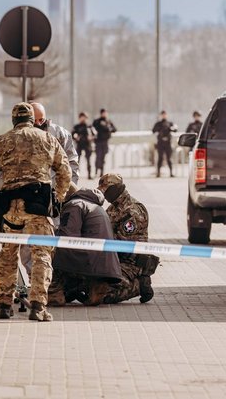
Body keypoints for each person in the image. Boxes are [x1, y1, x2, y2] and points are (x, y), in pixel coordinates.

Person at [0, 102, 72, 322]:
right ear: (32, 119)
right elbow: (65, 171)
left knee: (7, 254)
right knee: (41, 255)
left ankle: (4, 304)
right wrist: (58, 199)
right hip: (38, 209)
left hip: (8, 211)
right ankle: (38, 306)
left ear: (13, 120)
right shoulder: (48, 139)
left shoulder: (0, 142)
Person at [48, 185, 122, 306]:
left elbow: (67, 238)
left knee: (48, 251)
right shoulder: (95, 205)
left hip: (90, 259)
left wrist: (52, 234)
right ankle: (95, 285)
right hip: (106, 263)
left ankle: (54, 294)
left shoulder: (73, 205)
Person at [100, 173, 157, 304]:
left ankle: (139, 285)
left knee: (105, 294)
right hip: (115, 259)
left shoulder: (133, 210)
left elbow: (123, 244)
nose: (104, 194)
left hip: (131, 263)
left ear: (115, 189)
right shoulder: (113, 207)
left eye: (106, 190)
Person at [32, 102, 79, 185]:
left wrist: (71, 186)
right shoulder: (20, 137)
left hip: (56, 187)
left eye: (41, 120)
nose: (38, 123)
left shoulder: (60, 133)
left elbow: (72, 160)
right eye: (34, 120)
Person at [151, 110, 177, 177]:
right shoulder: (158, 123)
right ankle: (158, 173)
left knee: (169, 158)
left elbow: (175, 130)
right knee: (160, 158)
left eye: (165, 114)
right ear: (161, 115)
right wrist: (159, 130)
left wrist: (171, 128)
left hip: (168, 143)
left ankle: (171, 173)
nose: (164, 116)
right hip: (160, 143)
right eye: (162, 114)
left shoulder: (170, 123)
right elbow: (153, 130)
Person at [92, 109, 117, 176]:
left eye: (105, 113)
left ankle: (101, 172)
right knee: (98, 157)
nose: (105, 114)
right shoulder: (97, 121)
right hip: (98, 142)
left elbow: (114, 129)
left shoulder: (108, 121)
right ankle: (96, 170)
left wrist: (109, 129)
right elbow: (93, 129)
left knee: (103, 157)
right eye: (103, 113)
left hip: (105, 142)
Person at [71, 113, 95, 179]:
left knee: (88, 160)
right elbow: (72, 134)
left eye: (85, 117)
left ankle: (89, 175)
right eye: (82, 117)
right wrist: (76, 137)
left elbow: (94, 134)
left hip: (87, 145)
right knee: (77, 160)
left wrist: (91, 137)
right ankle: (75, 175)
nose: (83, 119)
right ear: (79, 118)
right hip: (79, 145)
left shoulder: (89, 126)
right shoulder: (77, 126)